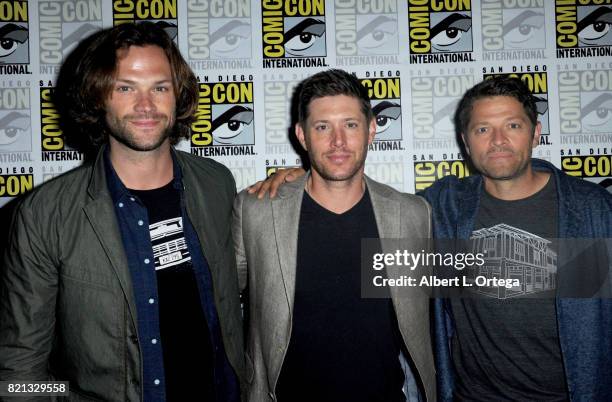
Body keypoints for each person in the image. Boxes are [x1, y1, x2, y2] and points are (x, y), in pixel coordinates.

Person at [251, 76, 612, 400]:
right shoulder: (444, 208)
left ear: (535, 132)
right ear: (465, 141)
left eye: (513, 125)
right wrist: (306, 174)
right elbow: (359, 195)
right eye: (483, 129)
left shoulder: (593, 211)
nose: (498, 140)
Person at [0, 23, 243, 401]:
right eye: (125, 88)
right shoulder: (44, 214)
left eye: (160, 88)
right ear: (98, 97)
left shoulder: (217, 183)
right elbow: (18, 370)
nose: (145, 106)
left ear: (177, 96)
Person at [233, 69, 436, 402]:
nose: (338, 141)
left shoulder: (413, 215)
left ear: (371, 130)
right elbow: (222, 306)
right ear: (302, 135)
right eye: (322, 127)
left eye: (350, 125)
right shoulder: (256, 212)